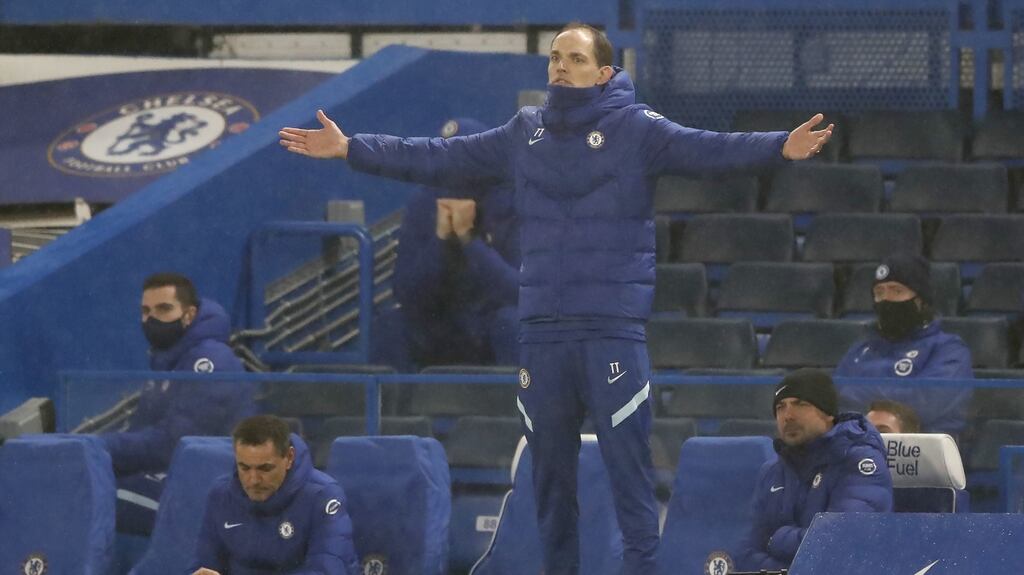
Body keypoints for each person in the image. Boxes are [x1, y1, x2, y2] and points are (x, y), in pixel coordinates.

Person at [279, 22, 831, 575]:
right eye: (554, 57)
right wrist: (352, 148)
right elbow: (437, 156)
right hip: (541, 331)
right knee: (549, 484)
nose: (561, 66)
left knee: (630, 480)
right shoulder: (525, 133)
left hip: (610, 328)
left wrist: (780, 146)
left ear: (605, 73)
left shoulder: (638, 130)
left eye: (574, 58)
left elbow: (711, 149)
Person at [100, 272, 254, 534]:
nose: (152, 319)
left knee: (97, 498)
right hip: (172, 477)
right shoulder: (166, 362)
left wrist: (99, 446)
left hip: (210, 488)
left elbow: (173, 443)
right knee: (85, 487)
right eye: (146, 311)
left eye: (164, 309)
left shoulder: (210, 361)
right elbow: (143, 432)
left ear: (189, 315)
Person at [372, 117, 520, 371]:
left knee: (515, 322)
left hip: (492, 319)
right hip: (444, 321)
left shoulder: (515, 203)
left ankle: (522, 408)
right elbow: (405, 292)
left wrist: (469, 241)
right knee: (391, 324)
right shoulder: (425, 202)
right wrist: (440, 242)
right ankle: (391, 410)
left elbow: (520, 291)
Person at [738, 368, 893, 571]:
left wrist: (776, 539)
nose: (788, 416)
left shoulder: (859, 462)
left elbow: (839, 541)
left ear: (828, 413)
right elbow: (744, 552)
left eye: (800, 404)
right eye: (780, 407)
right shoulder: (772, 472)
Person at [190, 415, 360, 575]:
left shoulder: (323, 495)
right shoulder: (221, 495)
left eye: (265, 468)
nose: (254, 480)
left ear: (289, 457)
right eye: (244, 467)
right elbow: (204, 562)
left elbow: (326, 570)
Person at [835, 253, 973, 435]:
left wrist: (858, 394)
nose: (886, 299)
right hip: (860, 447)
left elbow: (925, 405)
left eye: (896, 290)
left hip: (923, 452)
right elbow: (834, 401)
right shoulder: (862, 349)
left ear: (920, 300)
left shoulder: (948, 349)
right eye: (879, 292)